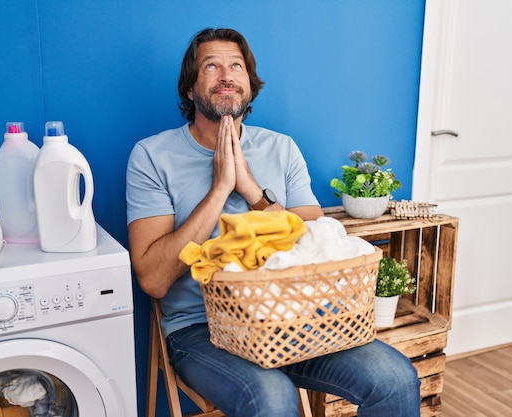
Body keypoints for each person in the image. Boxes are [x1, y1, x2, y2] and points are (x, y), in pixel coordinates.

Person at [126, 27, 421, 417]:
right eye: (211, 66)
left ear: (249, 86)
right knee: (271, 398)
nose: (226, 75)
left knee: (396, 379)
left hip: (290, 317)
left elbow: (318, 245)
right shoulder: (152, 156)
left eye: (236, 66)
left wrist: (251, 190)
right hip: (200, 328)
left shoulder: (281, 148)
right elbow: (153, 278)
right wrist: (219, 191)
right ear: (190, 90)